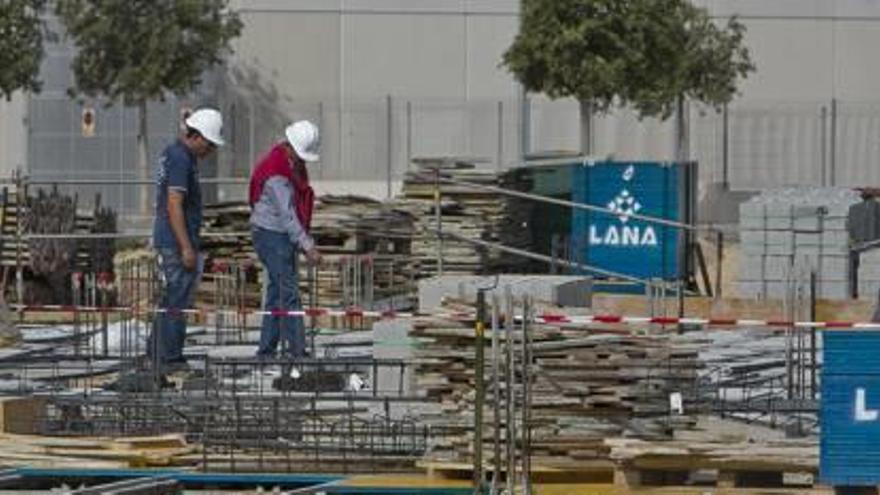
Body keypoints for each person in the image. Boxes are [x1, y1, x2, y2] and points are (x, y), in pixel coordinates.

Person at [149, 108, 224, 371]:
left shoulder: (177, 153)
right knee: (175, 301)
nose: (211, 150)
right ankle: (169, 358)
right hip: (174, 241)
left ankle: (160, 354)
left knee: (173, 299)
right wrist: (186, 247)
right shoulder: (181, 159)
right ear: (198, 136)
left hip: (172, 239)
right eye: (210, 144)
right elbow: (174, 204)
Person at [249, 120, 322, 359]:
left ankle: (267, 351)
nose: (303, 161)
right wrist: (308, 246)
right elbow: (288, 215)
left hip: (278, 235)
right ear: (290, 146)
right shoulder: (275, 174)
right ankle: (297, 351)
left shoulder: (289, 165)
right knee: (289, 292)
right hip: (271, 236)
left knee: (276, 293)